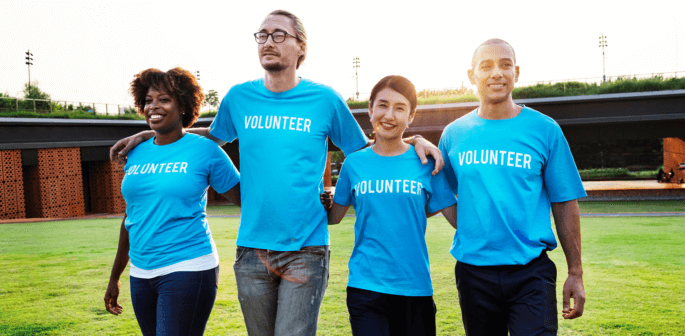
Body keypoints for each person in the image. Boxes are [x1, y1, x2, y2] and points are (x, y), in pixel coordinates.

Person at [108, 10, 444, 336]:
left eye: (279, 35)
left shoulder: (325, 99)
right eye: (262, 35)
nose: (268, 41)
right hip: (252, 250)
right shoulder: (239, 97)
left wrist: (410, 138)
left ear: (301, 47)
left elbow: (368, 149)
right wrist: (151, 138)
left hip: (306, 250)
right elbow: (205, 142)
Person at [438, 39, 587, 335]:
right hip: (473, 274)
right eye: (486, 66)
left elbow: (564, 201)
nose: (497, 73)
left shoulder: (545, 130)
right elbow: (444, 194)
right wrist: (470, 226)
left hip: (531, 272)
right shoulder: (454, 134)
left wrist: (575, 272)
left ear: (516, 73)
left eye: (505, 64)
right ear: (472, 76)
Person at [104, 68, 241, 336]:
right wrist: (114, 276)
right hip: (141, 272)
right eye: (148, 100)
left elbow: (246, 199)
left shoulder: (207, 151)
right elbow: (132, 216)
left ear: (183, 106)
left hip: (188, 266)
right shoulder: (136, 152)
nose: (153, 106)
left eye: (164, 99)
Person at [324, 75, 457, 336]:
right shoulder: (353, 164)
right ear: (371, 109)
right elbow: (333, 217)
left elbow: (458, 220)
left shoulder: (427, 164)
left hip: (415, 287)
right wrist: (319, 196)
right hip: (365, 287)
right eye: (383, 105)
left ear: (411, 116)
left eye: (400, 108)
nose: (389, 115)